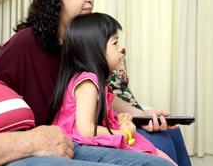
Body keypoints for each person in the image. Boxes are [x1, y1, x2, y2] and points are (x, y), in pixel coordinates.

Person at [0, 0, 173, 166]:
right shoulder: (26, 43)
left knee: (165, 137)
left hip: (68, 136)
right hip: (47, 138)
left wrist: (143, 113)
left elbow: (103, 94)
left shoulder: (77, 46)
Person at [51, 12, 177, 165]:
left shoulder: (98, 83)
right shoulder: (87, 83)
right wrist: (122, 132)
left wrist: (136, 117)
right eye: (115, 43)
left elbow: (114, 109)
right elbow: (85, 130)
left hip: (95, 139)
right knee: (159, 159)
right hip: (77, 145)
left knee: (161, 155)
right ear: (95, 49)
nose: (121, 49)